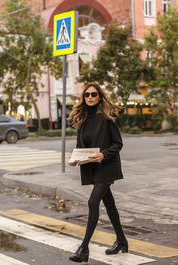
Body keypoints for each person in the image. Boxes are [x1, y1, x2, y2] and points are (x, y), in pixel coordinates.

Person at [67, 83, 128, 263]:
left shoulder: (107, 117)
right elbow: (81, 146)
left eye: (94, 94)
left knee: (93, 202)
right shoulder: (83, 119)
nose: (91, 97)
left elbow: (118, 144)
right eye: (87, 95)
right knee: (109, 204)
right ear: (83, 98)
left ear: (100, 96)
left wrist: (103, 155)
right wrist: (75, 158)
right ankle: (122, 241)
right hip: (92, 168)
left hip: (106, 166)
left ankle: (84, 248)